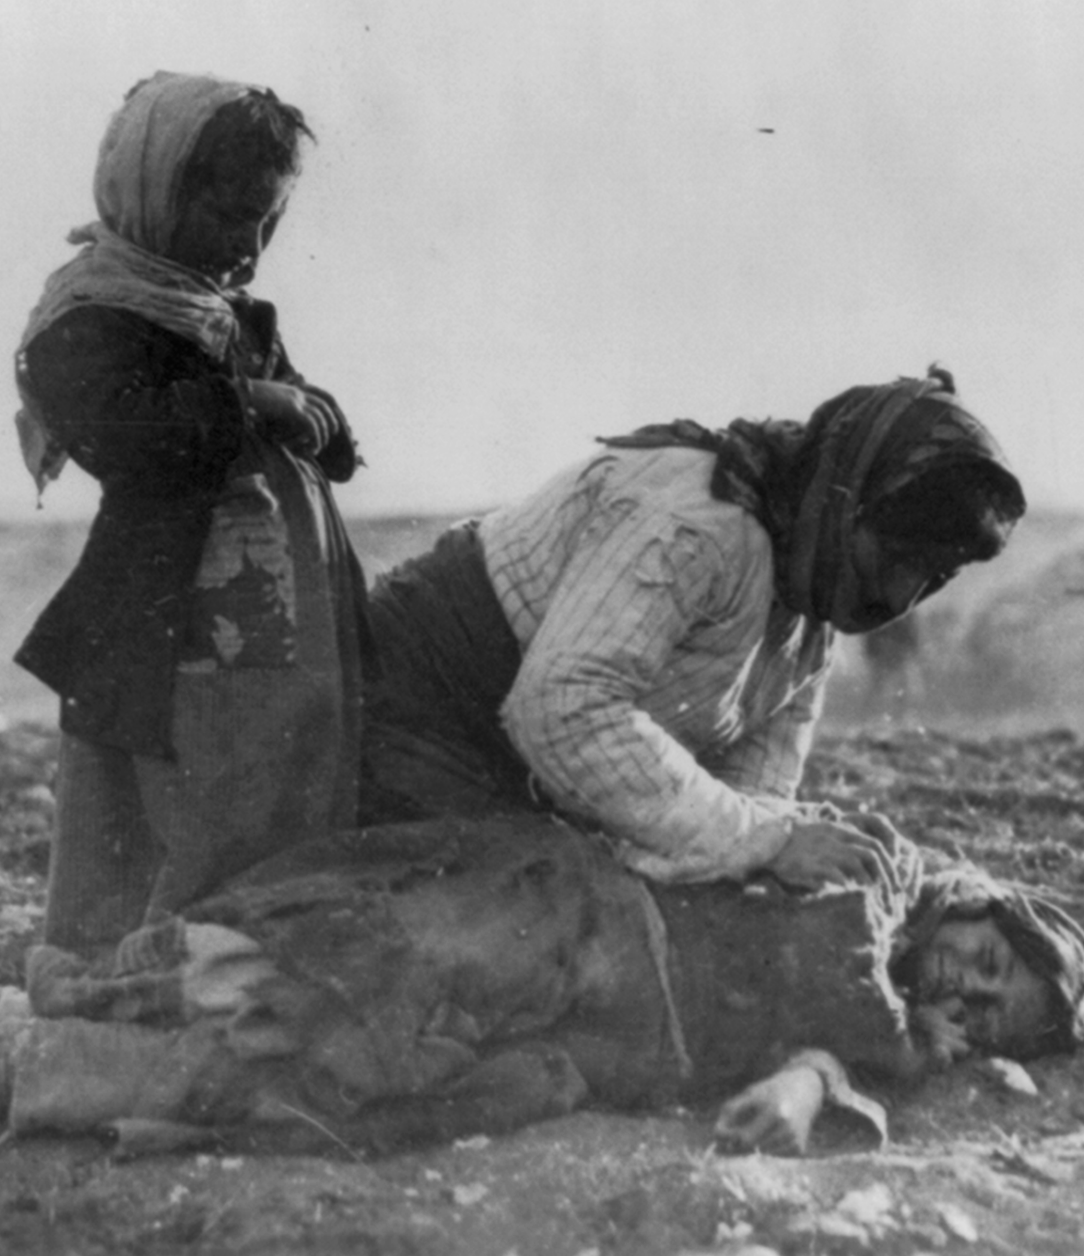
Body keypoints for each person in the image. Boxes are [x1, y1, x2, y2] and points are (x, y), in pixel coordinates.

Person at [0, 813, 1084, 1167]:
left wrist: (850, 1072)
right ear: (972, 906)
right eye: (988, 960)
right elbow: (839, 953)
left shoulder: (888, 1037)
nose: (968, 989)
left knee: (311, 1085)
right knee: (309, 981)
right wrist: (891, 1033)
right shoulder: (879, 875)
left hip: (588, 1045)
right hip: (565, 925)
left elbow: (820, 1070)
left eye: (998, 1010)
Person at [358, 368, 1026, 889]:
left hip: (525, 762)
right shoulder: (699, 523)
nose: (903, 593)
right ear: (847, 499)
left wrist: (788, 849)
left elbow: (751, 793)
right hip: (419, 706)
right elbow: (562, 710)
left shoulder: (808, 614)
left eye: (937, 576)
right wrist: (768, 846)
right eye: (903, 556)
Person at [12, 72, 371, 954]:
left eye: (269, 222)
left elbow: (303, 421)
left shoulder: (228, 316)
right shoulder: (89, 318)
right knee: (165, 824)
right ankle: (126, 996)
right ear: (154, 194)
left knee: (273, 795)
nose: (250, 246)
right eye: (229, 218)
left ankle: (235, 970)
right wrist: (250, 403)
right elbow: (128, 438)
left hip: (272, 628)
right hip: (166, 626)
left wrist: (318, 423)